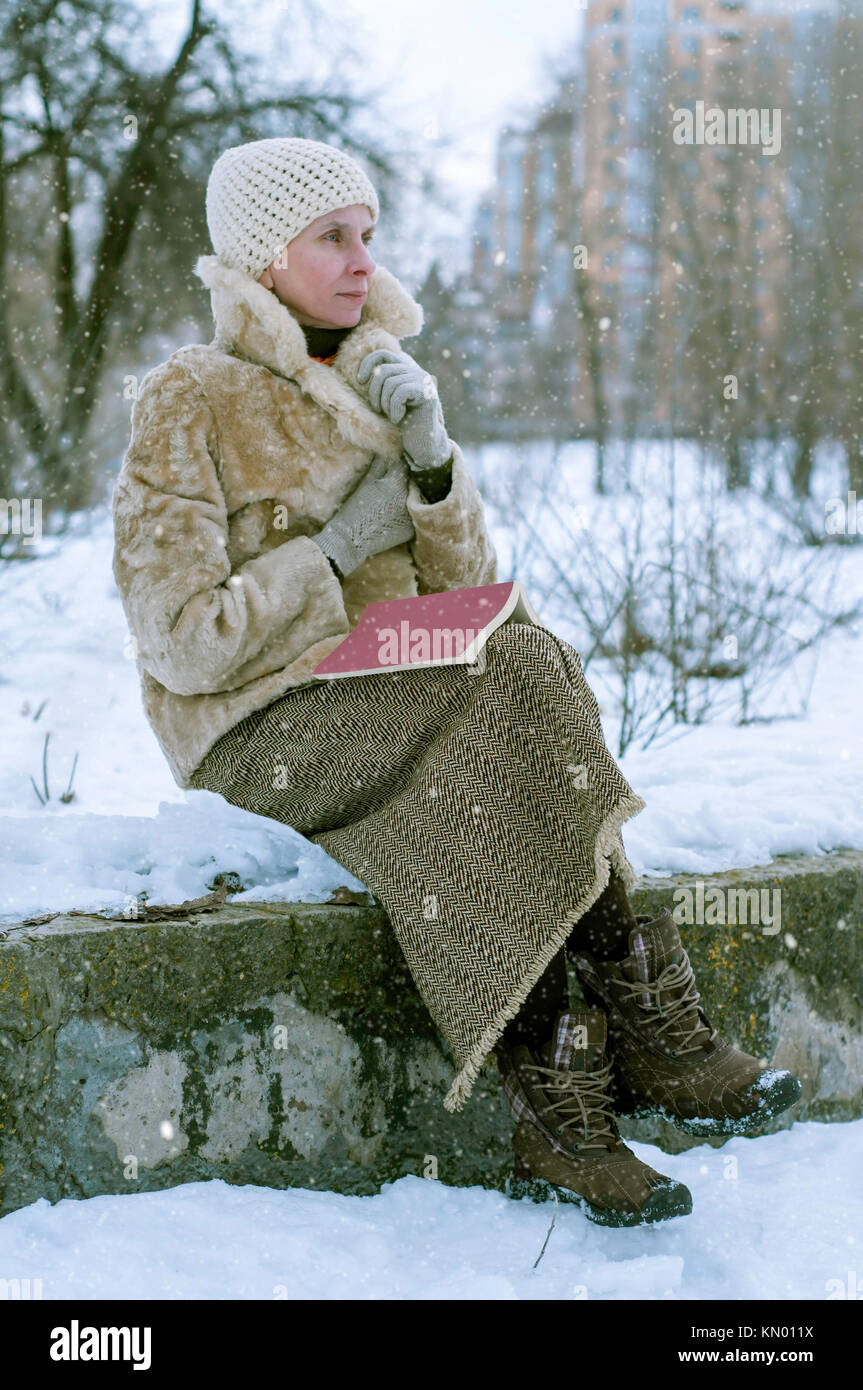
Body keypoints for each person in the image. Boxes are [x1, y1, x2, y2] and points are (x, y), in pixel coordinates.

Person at [111, 137, 801, 1228]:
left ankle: (563, 1106)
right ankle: (643, 1040)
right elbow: (180, 643)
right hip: (258, 726)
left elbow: (465, 593)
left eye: (367, 234)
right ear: (260, 251)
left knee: (512, 668)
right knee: (505, 690)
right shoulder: (189, 399)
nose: (359, 259)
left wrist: (429, 462)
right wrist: (331, 555)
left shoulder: (381, 381)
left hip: (395, 699)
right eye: (330, 236)